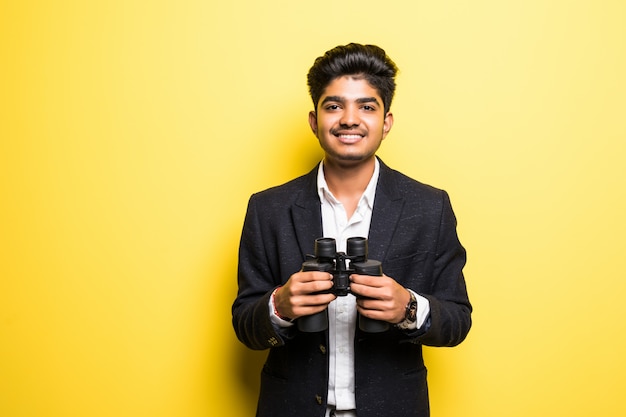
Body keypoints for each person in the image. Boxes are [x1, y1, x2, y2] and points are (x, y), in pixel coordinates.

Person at [232, 43, 472, 417]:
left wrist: (407, 306)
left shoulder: (429, 207)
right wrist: (279, 306)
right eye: (333, 106)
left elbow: (457, 320)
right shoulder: (268, 208)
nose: (349, 119)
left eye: (366, 106)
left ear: (386, 122)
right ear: (314, 121)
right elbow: (245, 327)